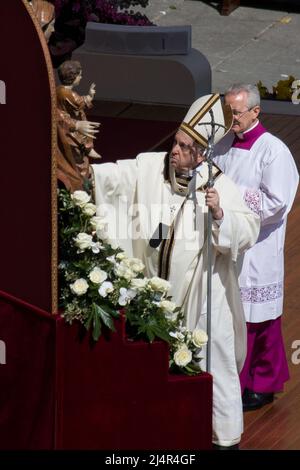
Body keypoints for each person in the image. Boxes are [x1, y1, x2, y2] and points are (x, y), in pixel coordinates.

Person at [91, 94, 260, 448]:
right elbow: (118, 177)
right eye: (176, 142)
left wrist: (219, 216)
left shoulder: (219, 187)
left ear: (201, 154)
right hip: (155, 295)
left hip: (203, 299)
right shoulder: (152, 167)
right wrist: (85, 173)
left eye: (185, 147)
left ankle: (224, 440)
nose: (175, 151)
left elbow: (249, 228)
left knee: (215, 364)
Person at [214, 84, 299, 411]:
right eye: (227, 112)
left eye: (235, 112)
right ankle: (230, 379)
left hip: (257, 247)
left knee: (258, 320)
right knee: (230, 315)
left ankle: (261, 383)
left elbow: (278, 202)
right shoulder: (220, 144)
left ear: (255, 112)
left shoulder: (273, 151)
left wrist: (232, 207)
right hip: (224, 243)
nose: (230, 118)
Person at [56, 60, 101, 192]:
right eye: (79, 75)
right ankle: (81, 185)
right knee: (78, 156)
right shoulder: (65, 93)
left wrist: (89, 96)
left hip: (72, 123)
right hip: (70, 128)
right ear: (72, 76)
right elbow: (79, 103)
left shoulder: (62, 91)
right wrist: (89, 97)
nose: (81, 77)